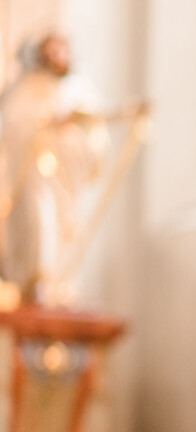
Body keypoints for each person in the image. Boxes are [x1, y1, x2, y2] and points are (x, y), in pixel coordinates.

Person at [0, 32, 108, 303]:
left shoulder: (80, 89)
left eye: (62, 50)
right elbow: (11, 127)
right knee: (39, 218)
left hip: (68, 178)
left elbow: (96, 136)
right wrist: (44, 124)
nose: (57, 56)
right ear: (42, 54)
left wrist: (72, 126)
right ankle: (37, 279)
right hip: (36, 172)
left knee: (67, 229)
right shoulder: (28, 86)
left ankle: (61, 285)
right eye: (51, 51)